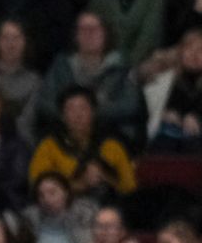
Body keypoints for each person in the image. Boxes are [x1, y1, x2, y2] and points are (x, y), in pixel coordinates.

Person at [36, 11, 143, 145]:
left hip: (111, 138)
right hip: (65, 139)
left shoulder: (121, 67)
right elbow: (45, 103)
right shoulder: (61, 66)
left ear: (105, 34)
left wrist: (89, 113)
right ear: (76, 36)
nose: (89, 34)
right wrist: (71, 114)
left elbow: (131, 105)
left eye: (94, 29)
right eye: (83, 29)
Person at [143, 26, 202, 160]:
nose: (194, 54)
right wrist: (164, 115)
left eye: (201, 50)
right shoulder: (161, 82)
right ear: (181, 52)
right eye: (189, 48)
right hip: (167, 144)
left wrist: (200, 123)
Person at [29, 86, 136, 196]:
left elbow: (130, 186)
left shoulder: (111, 144)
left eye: (83, 108)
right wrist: (82, 184)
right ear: (62, 116)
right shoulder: (49, 145)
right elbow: (37, 185)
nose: (78, 115)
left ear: (93, 112)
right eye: (71, 109)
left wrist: (105, 177)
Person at [23, 170, 98, 243]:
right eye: (41, 195)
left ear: (66, 192)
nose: (47, 199)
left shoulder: (84, 217)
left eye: (52, 192)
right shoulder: (31, 220)